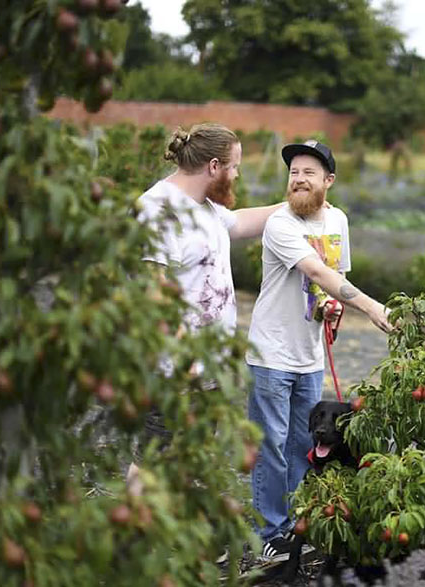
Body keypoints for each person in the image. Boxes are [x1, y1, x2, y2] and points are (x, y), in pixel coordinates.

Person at [245, 140, 392, 562]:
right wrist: (369, 305)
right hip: (271, 352)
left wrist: (333, 308)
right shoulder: (280, 224)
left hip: (308, 355)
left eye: (309, 172)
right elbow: (314, 270)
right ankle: (269, 534)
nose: (299, 179)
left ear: (329, 180)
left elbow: (335, 276)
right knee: (270, 445)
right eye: (293, 172)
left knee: (304, 446)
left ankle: (295, 525)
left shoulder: (338, 221)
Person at [128, 123, 283, 489]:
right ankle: (130, 531)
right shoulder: (157, 208)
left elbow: (241, 222)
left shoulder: (206, 208)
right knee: (153, 455)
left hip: (207, 362)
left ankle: (170, 530)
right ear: (214, 166)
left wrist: (295, 203)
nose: (238, 174)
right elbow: (154, 287)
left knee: (191, 453)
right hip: (173, 364)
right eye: (234, 166)